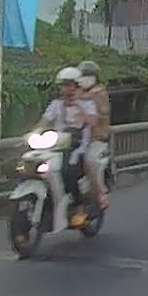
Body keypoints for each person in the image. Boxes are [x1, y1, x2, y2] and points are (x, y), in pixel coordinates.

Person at [37, 67, 98, 224]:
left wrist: (78, 106)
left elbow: (93, 122)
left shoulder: (87, 104)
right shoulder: (56, 105)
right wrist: (34, 132)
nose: (66, 89)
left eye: (70, 85)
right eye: (63, 85)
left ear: (78, 86)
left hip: (79, 146)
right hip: (56, 145)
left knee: (68, 171)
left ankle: (79, 207)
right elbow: (45, 120)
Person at [77, 60, 110, 210]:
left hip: (96, 139)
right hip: (76, 139)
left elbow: (101, 115)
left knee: (90, 160)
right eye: (82, 75)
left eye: (88, 75)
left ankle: (100, 194)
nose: (84, 78)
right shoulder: (75, 94)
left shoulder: (100, 93)